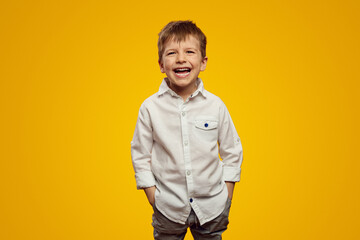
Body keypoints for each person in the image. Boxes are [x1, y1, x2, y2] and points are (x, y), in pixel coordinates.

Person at [131, 20, 243, 240]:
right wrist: (153, 196)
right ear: (161, 64)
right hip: (168, 208)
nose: (181, 58)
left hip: (212, 207)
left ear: (203, 62)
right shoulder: (150, 108)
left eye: (189, 52)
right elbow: (140, 154)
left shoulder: (216, 105)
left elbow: (232, 150)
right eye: (172, 53)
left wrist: (227, 194)